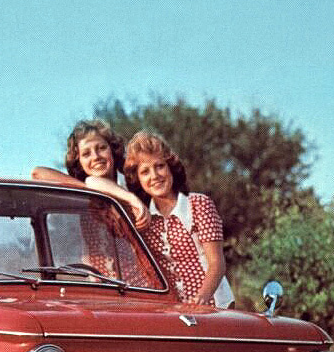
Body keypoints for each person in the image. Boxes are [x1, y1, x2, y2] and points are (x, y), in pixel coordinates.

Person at [124, 131, 233, 307]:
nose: (154, 176)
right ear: (138, 179)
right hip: (172, 311)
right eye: (145, 171)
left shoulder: (198, 204)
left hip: (212, 305)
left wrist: (200, 300)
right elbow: (92, 183)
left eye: (159, 166)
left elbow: (217, 264)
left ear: (170, 168)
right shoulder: (143, 217)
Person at [32, 120, 149, 228]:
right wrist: (92, 191)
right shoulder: (78, 194)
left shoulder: (134, 184)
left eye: (101, 148)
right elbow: (37, 173)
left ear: (112, 150)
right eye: (86, 154)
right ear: (79, 162)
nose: (96, 157)